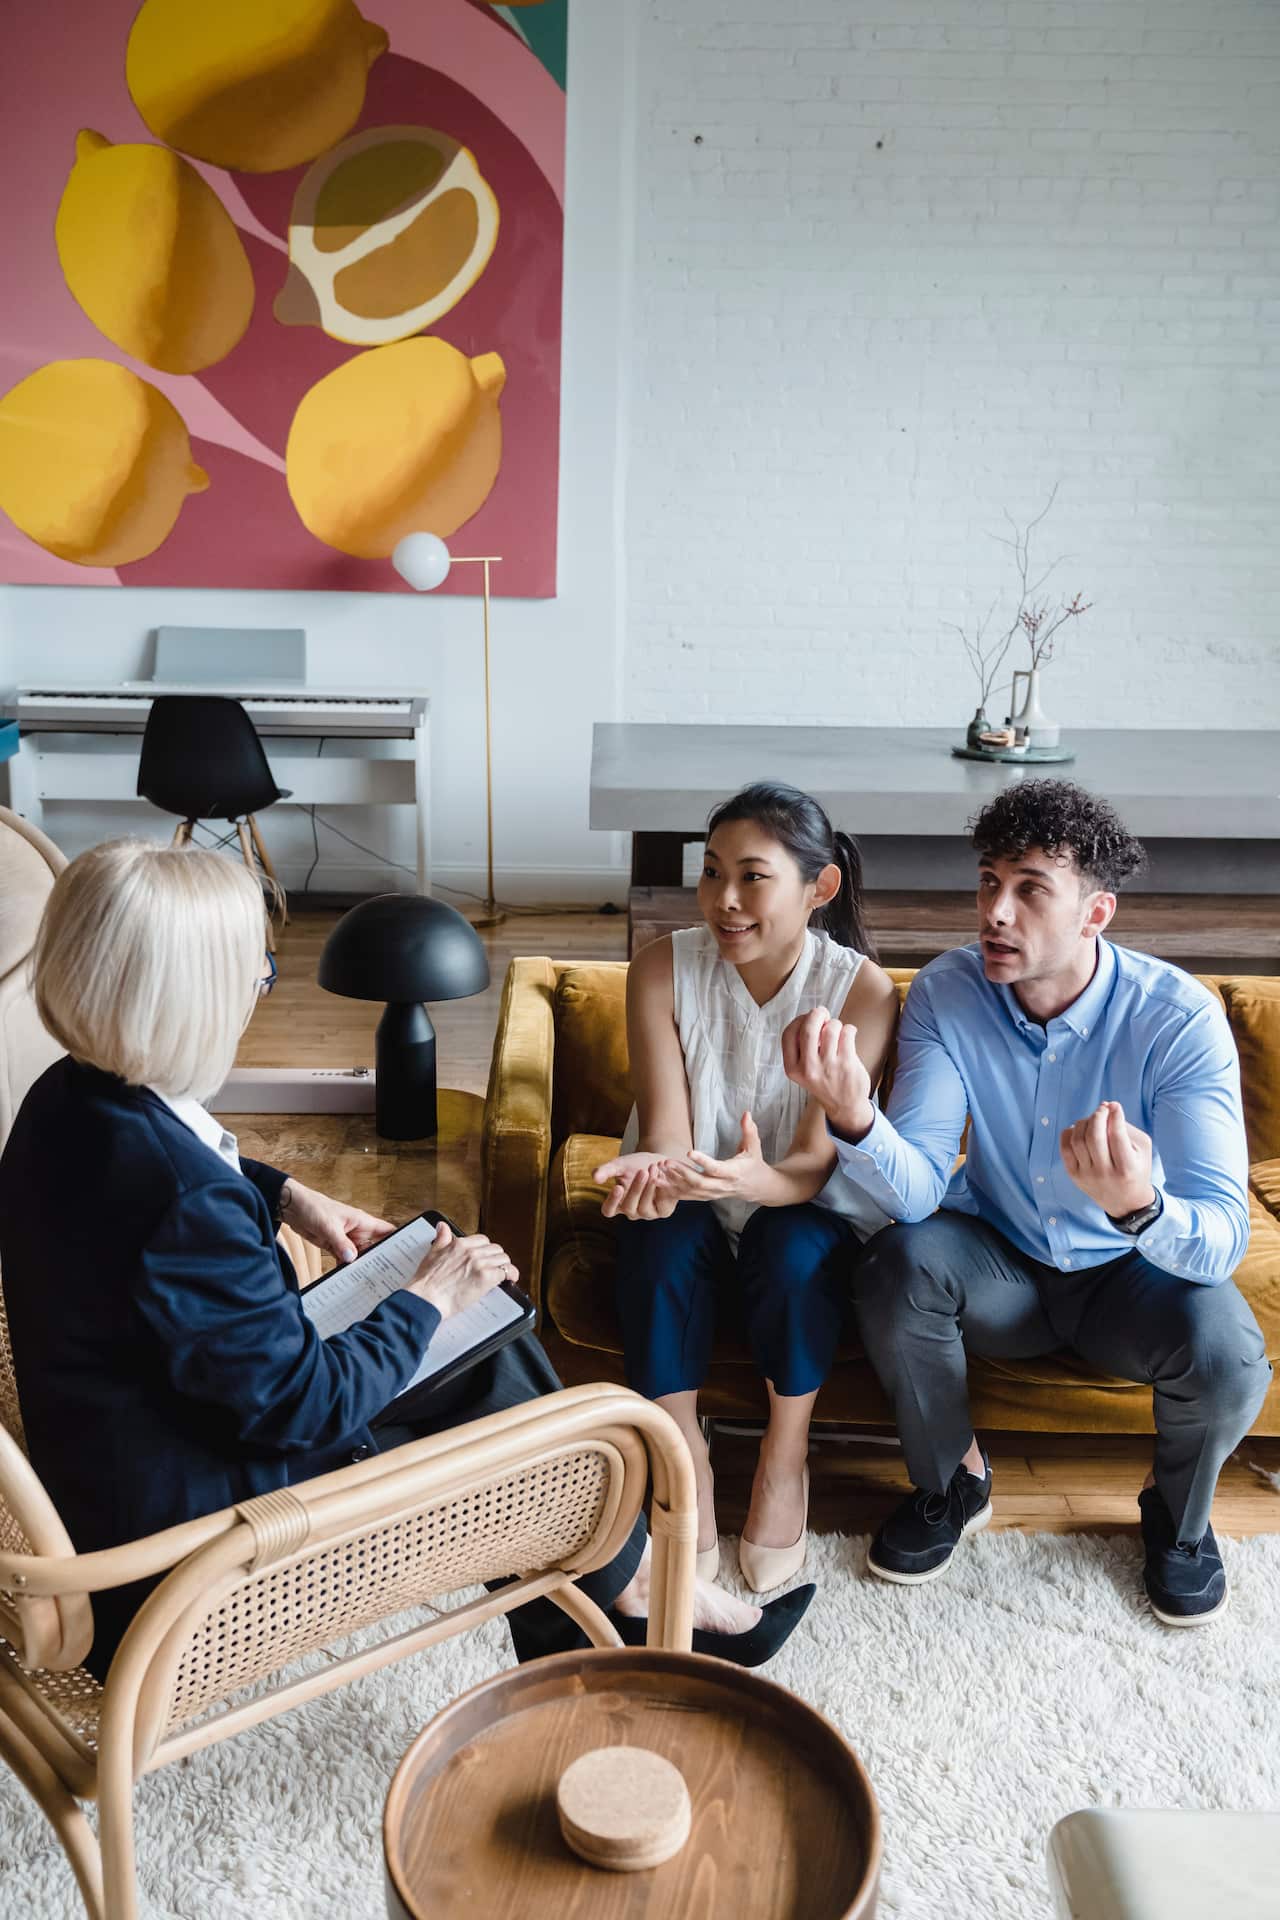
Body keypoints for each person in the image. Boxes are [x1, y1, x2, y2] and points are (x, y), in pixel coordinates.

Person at [0, 840, 812, 1681]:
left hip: (139, 1458)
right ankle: (627, 1595)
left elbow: (168, 1172)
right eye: (254, 972)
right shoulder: (185, 1205)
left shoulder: (62, 1097)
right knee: (507, 1380)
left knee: (489, 1349)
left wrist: (289, 1198)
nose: (257, 990)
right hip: (195, 1553)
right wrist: (425, 1300)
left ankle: (615, 1598)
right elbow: (304, 1408)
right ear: (187, 1002)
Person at [783, 779, 1270, 1626]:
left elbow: (1224, 1238)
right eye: (988, 882)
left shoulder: (1179, 1019)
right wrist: (855, 1113)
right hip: (1000, 1260)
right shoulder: (948, 991)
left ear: (1096, 913)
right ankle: (953, 1482)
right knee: (897, 1266)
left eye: (1031, 889)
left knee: (1231, 1357)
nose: (995, 912)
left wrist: (1140, 1206)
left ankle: (1177, 1518)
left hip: (1133, 1276)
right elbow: (921, 1188)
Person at [594, 783, 899, 1591]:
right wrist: (658, 1177)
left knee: (794, 1245)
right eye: (711, 873)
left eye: (753, 878)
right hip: (693, 1187)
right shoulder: (661, 967)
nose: (724, 901)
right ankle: (681, 1446)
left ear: (820, 888)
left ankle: (783, 1456)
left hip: (796, 1199)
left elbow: (809, 1166)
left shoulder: (862, 992)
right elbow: (664, 1131)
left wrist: (759, 1179)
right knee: (656, 1235)